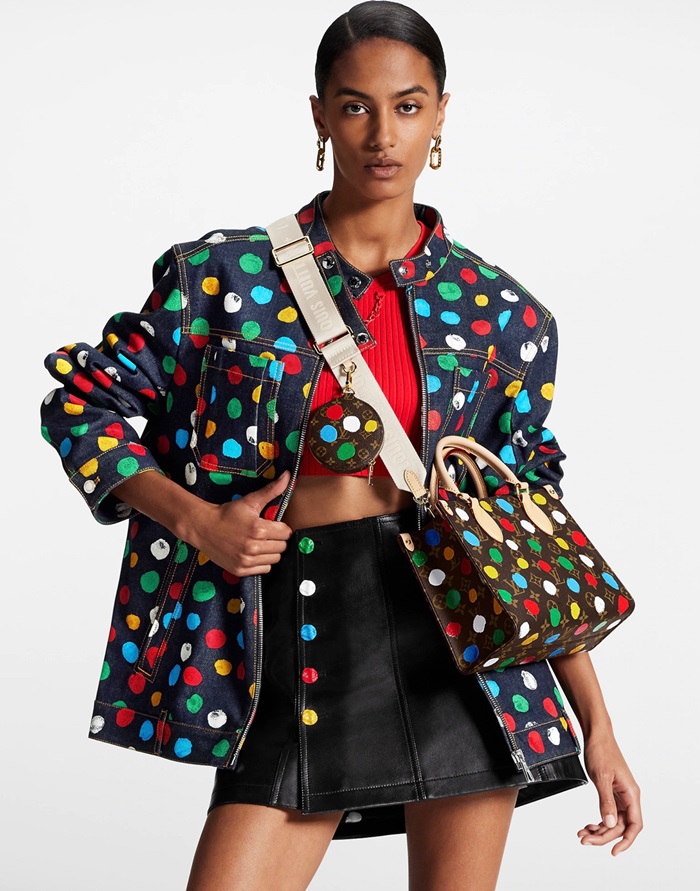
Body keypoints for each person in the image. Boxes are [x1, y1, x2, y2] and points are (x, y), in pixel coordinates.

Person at [40, 2, 642, 888]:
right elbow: (82, 405)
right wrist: (199, 520)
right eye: (356, 106)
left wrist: (599, 725)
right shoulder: (225, 277)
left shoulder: (502, 314)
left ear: (441, 115)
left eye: (408, 105)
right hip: (298, 639)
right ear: (320, 115)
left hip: (461, 656)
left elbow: (525, 530)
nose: (382, 134)